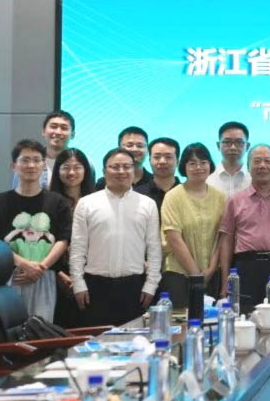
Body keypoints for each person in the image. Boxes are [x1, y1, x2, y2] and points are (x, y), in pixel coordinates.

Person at [70, 148, 162, 326]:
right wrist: (78, 284)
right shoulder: (87, 203)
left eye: (127, 166)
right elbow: (77, 248)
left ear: (134, 170)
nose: (121, 171)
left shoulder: (148, 204)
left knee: (134, 340)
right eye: (115, 167)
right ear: (104, 171)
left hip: (134, 287)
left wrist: (151, 285)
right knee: (96, 340)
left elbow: (154, 249)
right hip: (95, 287)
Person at [0, 140, 72, 322]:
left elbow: (63, 239)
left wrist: (40, 268)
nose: (31, 165)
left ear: (44, 165)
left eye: (36, 160)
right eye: (25, 160)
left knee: (41, 328)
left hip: (44, 276)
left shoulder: (57, 202)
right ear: (14, 166)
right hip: (11, 276)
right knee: (10, 328)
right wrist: (24, 265)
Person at [219, 144, 270, 308]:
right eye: (257, 161)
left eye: (267, 161)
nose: (262, 166)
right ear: (248, 166)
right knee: (245, 316)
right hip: (245, 268)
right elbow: (227, 241)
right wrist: (225, 281)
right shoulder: (234, 200)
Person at [160, 143, 227, 305]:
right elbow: (174, 238)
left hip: (211, 275)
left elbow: (222, 237)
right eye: (192, 163)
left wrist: (211, 269)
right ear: (184, 167)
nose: (199, 167)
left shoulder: (220, 197)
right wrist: (196, 274)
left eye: (203, 162)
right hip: (179, 274)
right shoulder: (173, 196)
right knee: (181, 319)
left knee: (211, 319)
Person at [48, 148, 96, 327]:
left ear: (86, 170)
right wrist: (58, 273)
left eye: (77, 167)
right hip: (59, 275)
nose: (71, 172)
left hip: (91, 274)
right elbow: (44, 241)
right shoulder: (49, 201)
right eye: (66, 167)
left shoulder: (96, 200)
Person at [11, 111, 75, 190]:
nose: (58, 132)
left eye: (64, 128)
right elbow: (17, 192)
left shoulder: (81, 162)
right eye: (53, 127)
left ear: (72, 134)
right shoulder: (27, 162)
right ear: (43, 131)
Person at [94, 126, 153, 191]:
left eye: (140, 146)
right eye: (129, 145)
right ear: (119, 148)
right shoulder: (104, 183)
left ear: (147, 150)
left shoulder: (155, 183)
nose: (135, 149)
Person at [141, 137, 180, 216]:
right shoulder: (138, 195)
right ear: (149, 161)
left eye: (168, 157)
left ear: (177, 162)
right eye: (157, 157)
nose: (162, 161)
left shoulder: (188, 193)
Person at [209, 121, 250, 196]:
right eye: (227, 142)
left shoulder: (254, 179)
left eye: (239, 142)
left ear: (247, 146)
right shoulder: (207, 178)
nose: (233, 147)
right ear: (218, 145)